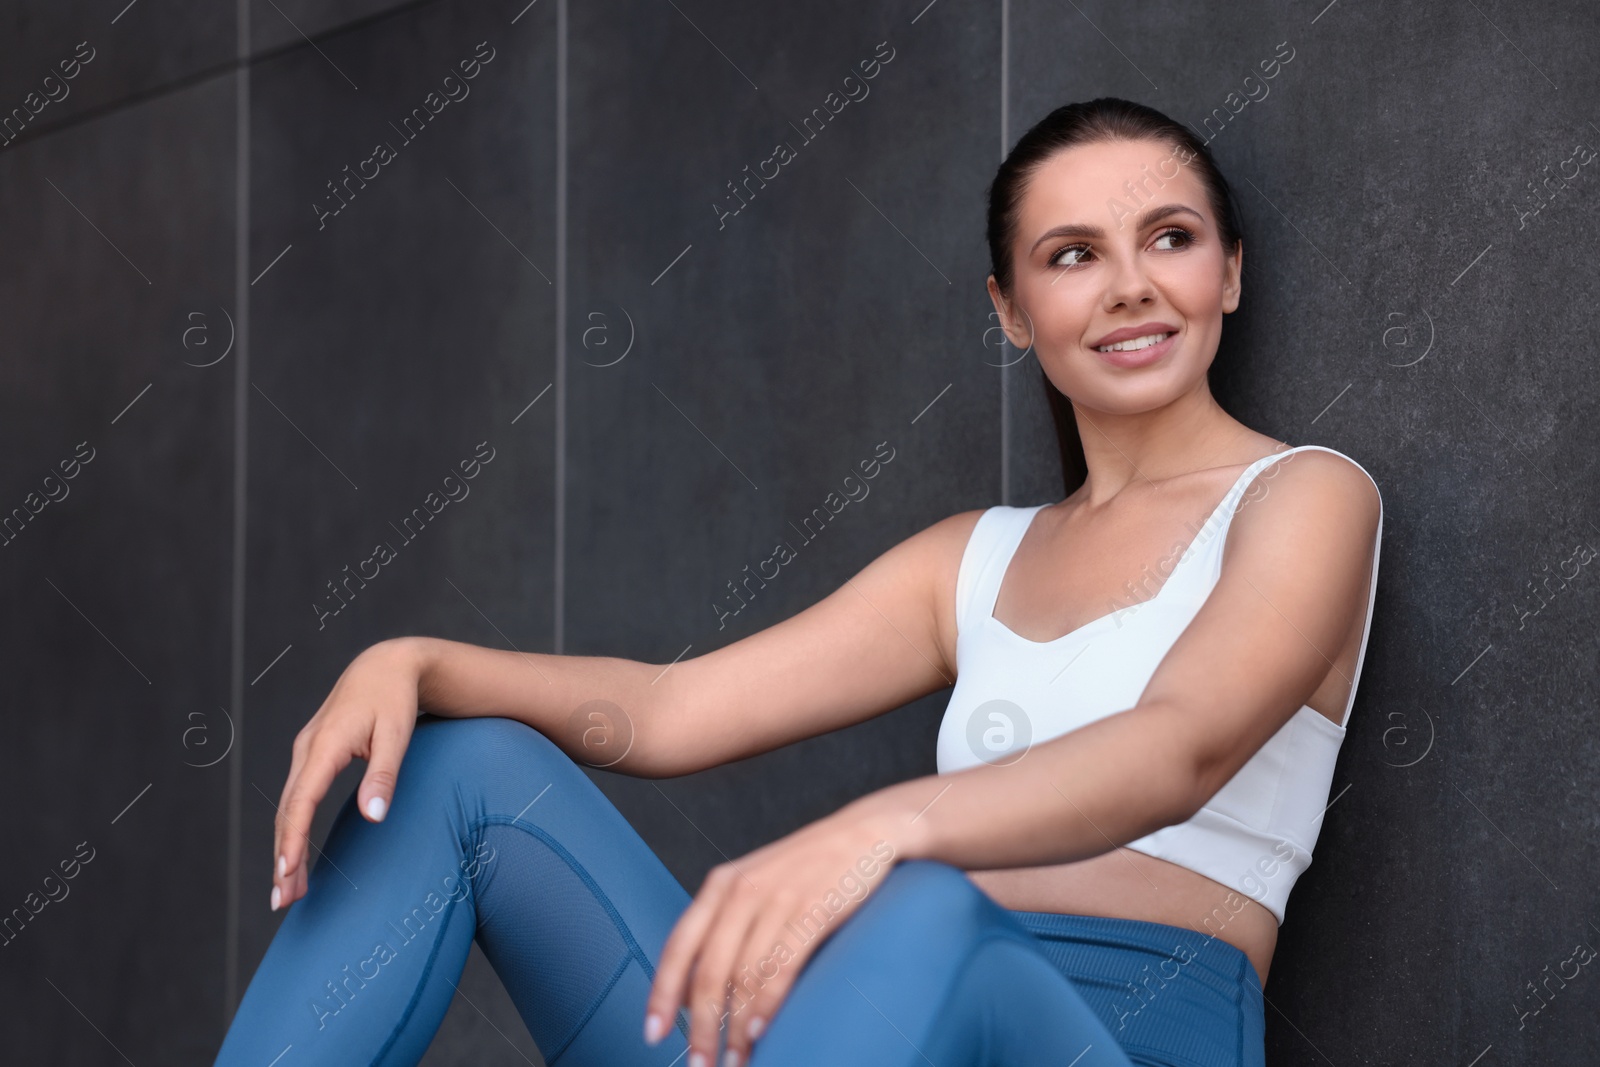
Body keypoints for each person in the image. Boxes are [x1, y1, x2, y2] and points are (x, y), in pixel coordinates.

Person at [213, 97, 1383, 1067]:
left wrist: (886, 834)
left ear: (1229, 273)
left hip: (1109, 1034)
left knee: (928, 909)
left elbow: (1180, 744)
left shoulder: (1304, 497)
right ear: (1012, 311)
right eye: (1072, 255)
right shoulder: (971, 558)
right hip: (861, 1025)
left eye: (1169, 238)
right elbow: (670, 710)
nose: (1129, 285)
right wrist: (415, 662)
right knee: (466, 766)